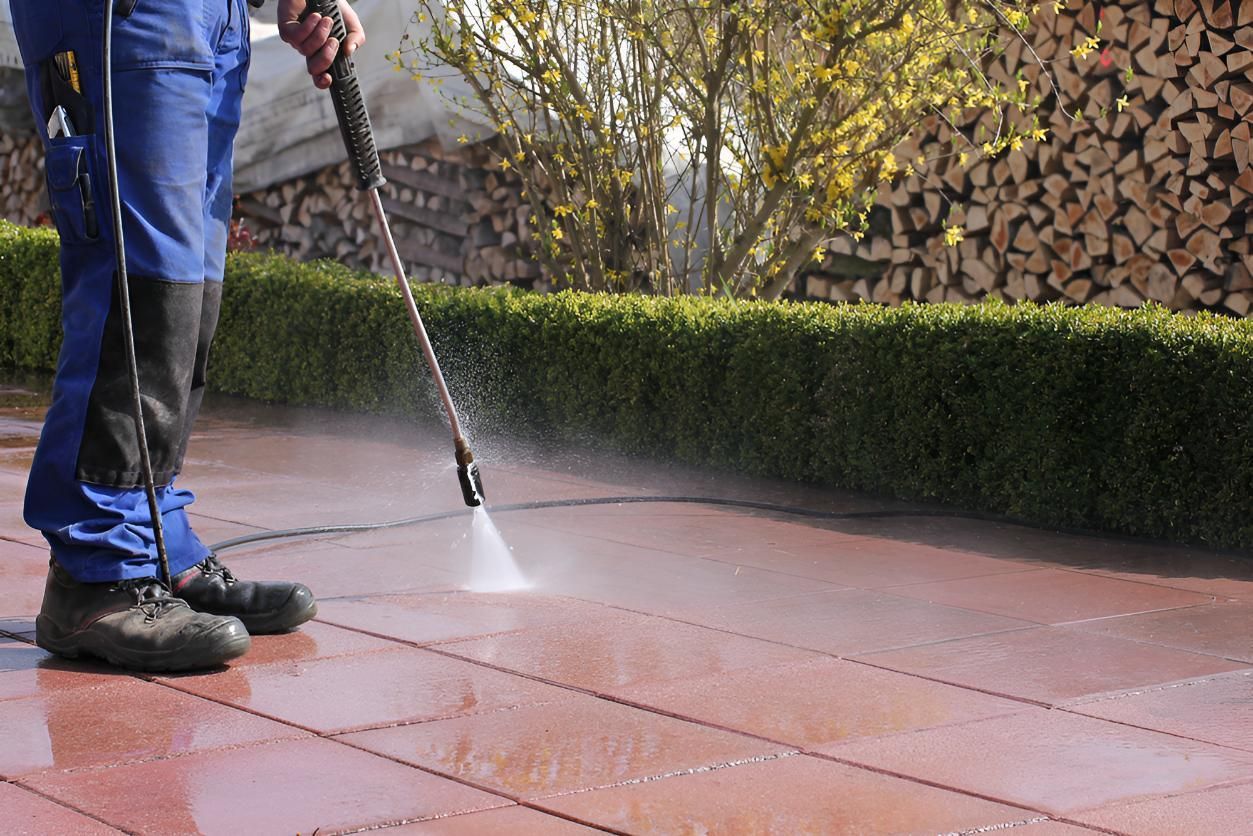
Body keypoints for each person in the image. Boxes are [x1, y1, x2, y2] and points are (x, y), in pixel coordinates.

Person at [8, 0, 365, 671]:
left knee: (189, 283)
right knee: (137, 280)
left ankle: (155, 542)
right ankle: (97, 573)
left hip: (210, 15)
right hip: (118, 13)